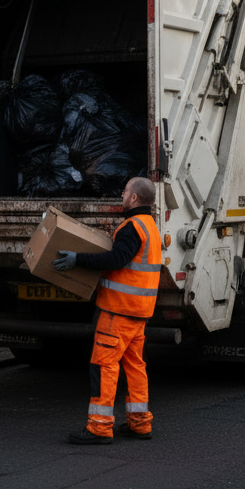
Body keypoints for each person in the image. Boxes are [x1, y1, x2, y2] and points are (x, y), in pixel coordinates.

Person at [52, 176, 161, 444]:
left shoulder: (132, 227)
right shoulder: (150, 227)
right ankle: (139, 423)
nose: (122, 196)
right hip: (139, 313)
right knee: (135, 367)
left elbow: (117, 259)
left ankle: (99, 427)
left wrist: (78, 259)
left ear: (134, 198)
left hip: (117, 313)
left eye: (124, 191)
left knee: (104, 366)